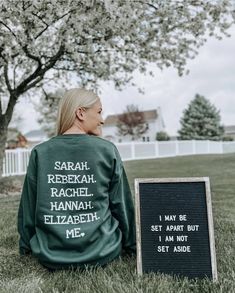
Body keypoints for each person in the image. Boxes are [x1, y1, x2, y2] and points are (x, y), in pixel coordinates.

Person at [17, 88, 136, 270]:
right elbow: (121, 205)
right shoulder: (107, 150)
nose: (102, 120)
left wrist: (25, 248)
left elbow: (28, 208)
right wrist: (131, 246)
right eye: (99, 112)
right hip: (102, 251)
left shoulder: (40, 152)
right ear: (80, 113)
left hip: (50, 254)